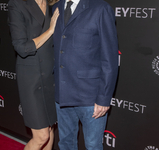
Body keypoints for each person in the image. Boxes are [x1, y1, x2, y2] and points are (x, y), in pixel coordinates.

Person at [52, 0, 118, 149]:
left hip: (90, 96)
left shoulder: (100, 8)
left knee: (93, 145)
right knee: (66, 143)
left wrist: (104, 98)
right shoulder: (56, 7)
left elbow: (110, 58)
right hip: (62, 94)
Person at [8, 0, 59, 149]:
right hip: (31, 78)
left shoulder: (54, 4)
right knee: (42, 136)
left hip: (50, 76)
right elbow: (22, 47)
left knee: (49, 129)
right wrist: (50, 30)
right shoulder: (18, 4)